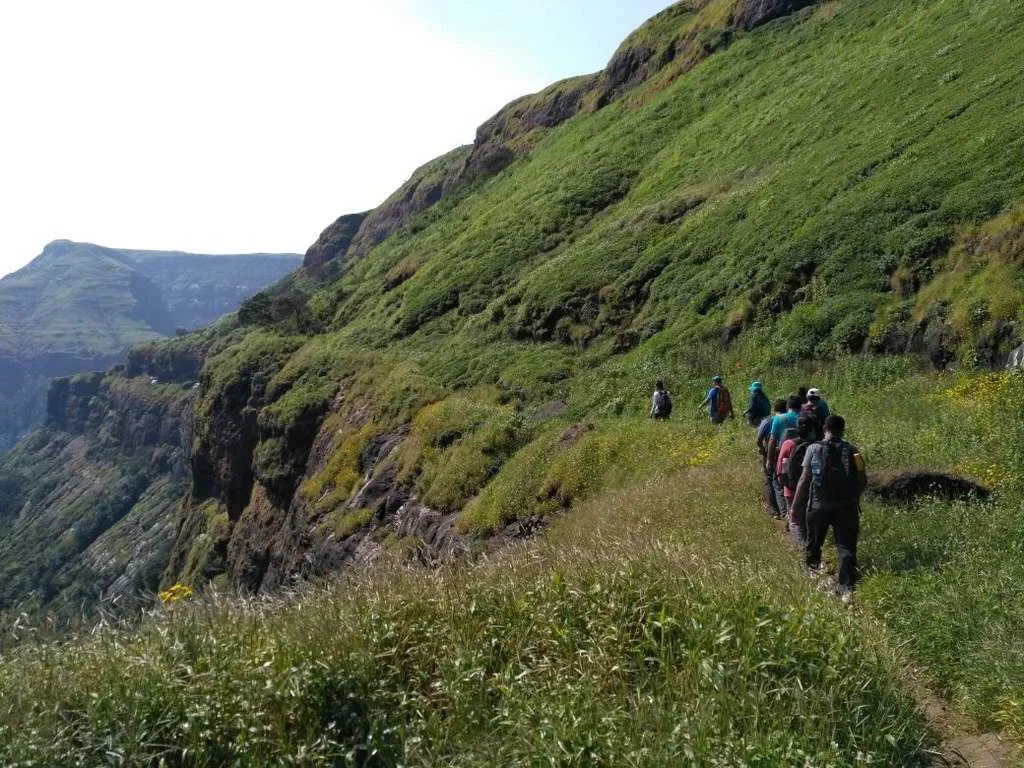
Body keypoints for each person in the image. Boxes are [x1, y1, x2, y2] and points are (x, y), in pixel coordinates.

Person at [791, 414, 867, 603]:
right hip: (846, 507)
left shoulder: (813, 448)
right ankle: (846, 588)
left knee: (814, 543)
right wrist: (854, 497)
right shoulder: (853, 451)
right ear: (843, 429)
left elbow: (804, 479)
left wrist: (795, 507)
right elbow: (862, 479)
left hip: (818, 506)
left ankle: (814, 580)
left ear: (825, 428)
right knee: (846, 547)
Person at [777, 416, 814, 544]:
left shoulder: (789, 444)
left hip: (792, 488)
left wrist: (783, 483)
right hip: (812, 489)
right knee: (807, 520)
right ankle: (811, 547)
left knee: (795, 520)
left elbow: (781, 467)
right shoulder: (816, 445)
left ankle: (801, 549)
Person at [765, 395, 802, 521]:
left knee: (780, 482)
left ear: (788, 406)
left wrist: (769, 460)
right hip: (802, 456)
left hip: (784, 456)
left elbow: (772, 440)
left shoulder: (779, 419)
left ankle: (786, 514)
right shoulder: (805, 418)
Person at [758, 399, 787, 518]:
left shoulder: (767, 421)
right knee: (783, 480)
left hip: (771, 453)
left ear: (774, 409)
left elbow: (759, 440)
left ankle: (774, 510)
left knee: (770, 480)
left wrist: (763, 451)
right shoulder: (790, 419)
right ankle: (786, 509)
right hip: (787, 454)